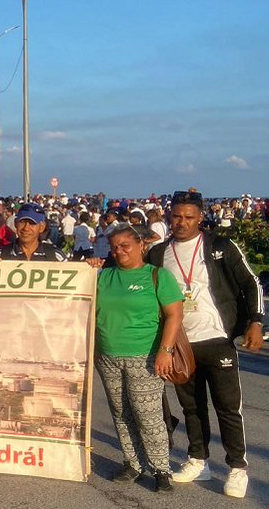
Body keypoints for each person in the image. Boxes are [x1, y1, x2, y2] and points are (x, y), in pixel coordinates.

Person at [150, 190, 264, 498]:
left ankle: (237, 467)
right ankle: (198, 459)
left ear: (201, 218)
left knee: (227, 407)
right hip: (181, 343)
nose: (181, 223)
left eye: (189, 217)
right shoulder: (159, 253)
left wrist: (256, 320)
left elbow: (249, 282)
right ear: (168, 216)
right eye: (176, 216)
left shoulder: (220, 247)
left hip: (217, 338)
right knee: (191, 406)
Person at [93, 226, 183, 492]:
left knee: (148, 415)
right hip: (107, 356)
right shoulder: (103, 276)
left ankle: (161, 469)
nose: (119, 251)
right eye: (114, 247)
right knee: (121, 413)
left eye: (125, 245)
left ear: (141, 245)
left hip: (144, 355)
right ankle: (133, 462)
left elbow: (174, 315)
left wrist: (165, 351)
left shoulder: (156, 276)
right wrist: (88, 267)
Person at [0, 204, 67, 262]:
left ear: (42, 227)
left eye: (32, 223)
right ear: (15, 224)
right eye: (22, 222)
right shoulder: (0, 255)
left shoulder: (56, 256)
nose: (26, 228)